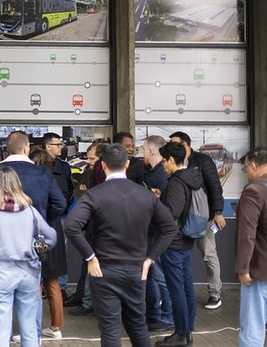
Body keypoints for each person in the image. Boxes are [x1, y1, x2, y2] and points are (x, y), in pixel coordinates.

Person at [65, 143, 176, 347]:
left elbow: (71, 226)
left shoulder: (94, 194)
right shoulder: (145, 195)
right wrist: (150, 259)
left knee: (110, 329)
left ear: (103, 165)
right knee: (138, 326)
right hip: (136, 269)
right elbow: (170, 228)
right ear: (127, 164)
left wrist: (90, 257)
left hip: (103, 270)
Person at [0, 131, 66, 341]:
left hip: (1, 247)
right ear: (27, 148)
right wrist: (40, 222)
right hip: (30, 247)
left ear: (6, 149)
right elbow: (60, 204)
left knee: (1, 310)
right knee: (32, 301)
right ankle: (35, 337)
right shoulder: (42, 174)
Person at [0, 166, 57, 347]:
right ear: (17, 184)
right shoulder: (30, 211)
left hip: (1, 271)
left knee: (2, 331)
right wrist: (35, 248)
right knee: (29, 328)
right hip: (28, 270)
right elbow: (51, 237)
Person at [169, 131, 225, 310]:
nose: (173, 147)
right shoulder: (171, 162)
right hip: (181, 218)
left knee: (209, 254)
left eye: (176, 144)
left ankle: (215, 293)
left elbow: (215, 187)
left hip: (202, 217)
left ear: (185, 144)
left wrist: (217, 212)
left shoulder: (203, 161)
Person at [155, 142, 204, 347]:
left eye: (164, 161)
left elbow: (171, 213)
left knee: (176, 290)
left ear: (172, 160)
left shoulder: (176, 181)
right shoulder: (193, 176)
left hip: (174, 242)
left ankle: (181, 334)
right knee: (186, 287)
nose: (163, 165)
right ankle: (188, 330)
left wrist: (157, 203)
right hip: (187, 239)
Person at [27, 147, 67, 339]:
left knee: (35, 282)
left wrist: (41, 220)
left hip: (39, 231)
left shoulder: (37, 179)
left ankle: (32, 330)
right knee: (53, 281)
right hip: (55, 229)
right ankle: (56, 327)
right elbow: (62, 203)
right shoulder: (58, 176)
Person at [65, 143, 104, 311]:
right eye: (88, 158)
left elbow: (88, 195)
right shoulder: (90, 172)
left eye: (92, 158)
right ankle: (82, 297)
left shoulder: (101, 175)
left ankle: (87, 302)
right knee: (87, 262)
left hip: (97, 226)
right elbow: (79, 192)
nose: (88, 162)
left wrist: (86, 193)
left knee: (91, 263)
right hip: (90, 225)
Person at [235, 147, 267, 346]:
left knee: (252, 327)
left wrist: (243, 268)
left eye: (245, 167)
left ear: (253, 166)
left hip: (260, 269)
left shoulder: (254, 191)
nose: (246, 172)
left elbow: (247, 233)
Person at [141, 135, 174, 331]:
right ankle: (154, 313)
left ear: (152, 151)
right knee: (151, 274)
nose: (142, 153)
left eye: (144, 149)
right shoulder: (151, 172)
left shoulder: (161, 176)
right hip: (149, 230)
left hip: (158, 232)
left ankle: (169, 317)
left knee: (161, 275)